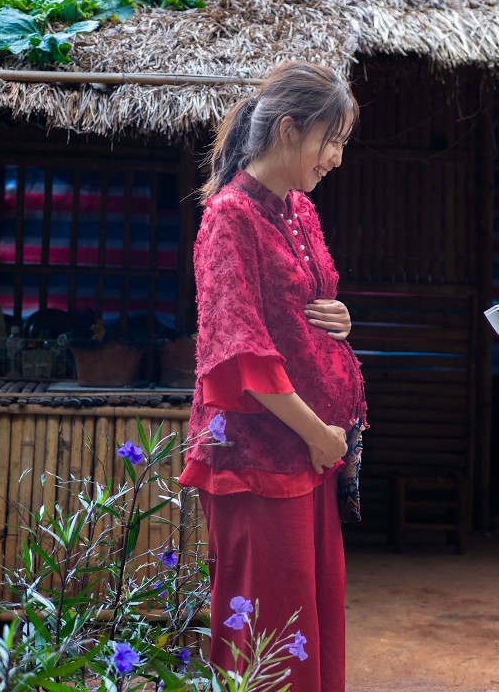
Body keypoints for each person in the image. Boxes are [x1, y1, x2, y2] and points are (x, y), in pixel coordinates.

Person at [179, 60, 366, 690]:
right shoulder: (230, 217)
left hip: (310, 455)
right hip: (260, 458)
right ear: (288, 130)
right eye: (330, 141)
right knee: (271, 633)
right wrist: (320, 435)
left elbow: (294, 314)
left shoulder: (299, 211)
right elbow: (240, 356)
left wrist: (339, 317)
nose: (336, 158)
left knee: (311, 619)